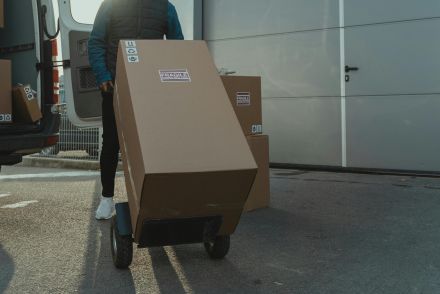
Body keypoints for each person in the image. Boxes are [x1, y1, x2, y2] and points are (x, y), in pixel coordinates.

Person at [88, 0, 184, 220]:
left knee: (154, 143)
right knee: (111, 142)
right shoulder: (111, 5)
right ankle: (106, 199)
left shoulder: (165, 7)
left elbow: (177, 45)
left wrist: (170, 79)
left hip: (151, 87)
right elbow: (96, 42)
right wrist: (103, 77)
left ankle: (153, 198)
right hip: (115, 84)